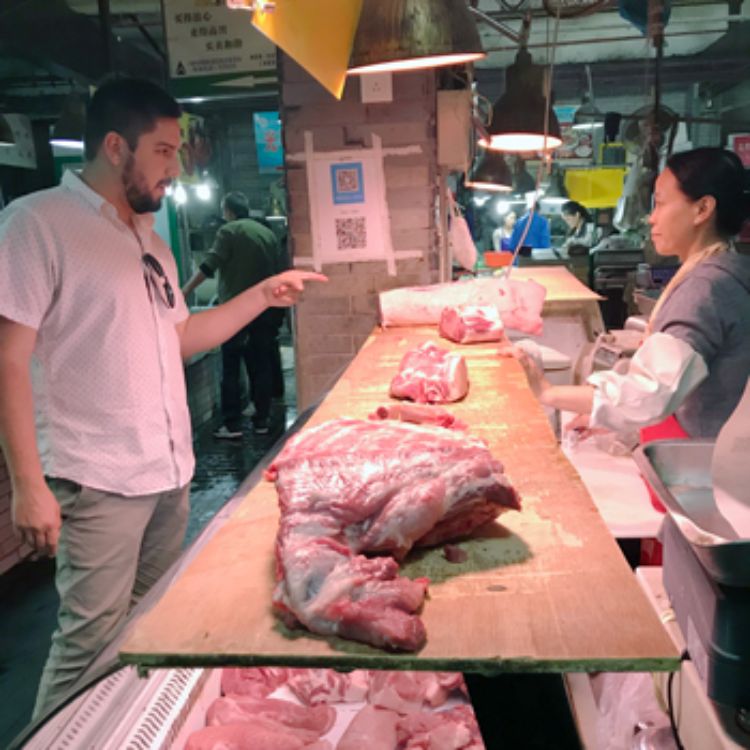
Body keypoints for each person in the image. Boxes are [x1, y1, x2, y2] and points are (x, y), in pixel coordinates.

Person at [0, 77, 326, 720]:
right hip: (98, 479)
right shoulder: (36, 225)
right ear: (116, 147)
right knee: (87, 647)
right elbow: (8, 358)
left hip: (167, 471)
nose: (176, 168)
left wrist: (263, 295)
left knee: (150, 631)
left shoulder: (150, 245)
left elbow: (182, 338)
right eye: (164, 151)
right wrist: (27, 483)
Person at [503, 147, 750, 448]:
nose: (651, 218)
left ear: (702, 209)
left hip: (712, 470)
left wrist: (546, 391)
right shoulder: (729, 267)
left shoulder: (706, 286)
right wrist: (615, 424)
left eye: (659, 204)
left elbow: (651, 392)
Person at [182, 191, 284, 438]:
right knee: (260, 365)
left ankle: (232, 425)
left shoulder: (228, 231)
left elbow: (209, 265)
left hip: (236, 312)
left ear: (228, 210)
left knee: (231, 367)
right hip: (266, 310)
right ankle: (262, 420)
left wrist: (184, 290)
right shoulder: (267, 233)